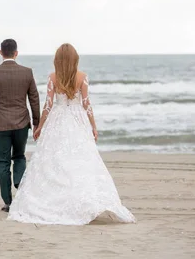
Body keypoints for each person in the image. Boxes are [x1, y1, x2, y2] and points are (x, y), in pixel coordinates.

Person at [8, 43, 136, 225]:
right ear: (75, 59)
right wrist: (93, 126)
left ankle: (57, 200)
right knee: (80, 160)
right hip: (77, 121)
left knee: (55, 161)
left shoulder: (53, 77)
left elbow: (48, 105)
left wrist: (40, 126)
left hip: (58, 121)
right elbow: (86, 104)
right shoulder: (82, 77)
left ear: (57, 60)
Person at [0, 39, 41, 212]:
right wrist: (36, 121)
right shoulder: (27, 73)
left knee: (2, 161)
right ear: (16, 53)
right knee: (19, 156)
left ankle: (8, 202)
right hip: (22, 122)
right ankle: (19, 181)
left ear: (1, 52)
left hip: (1, 124)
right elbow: (34, 98)